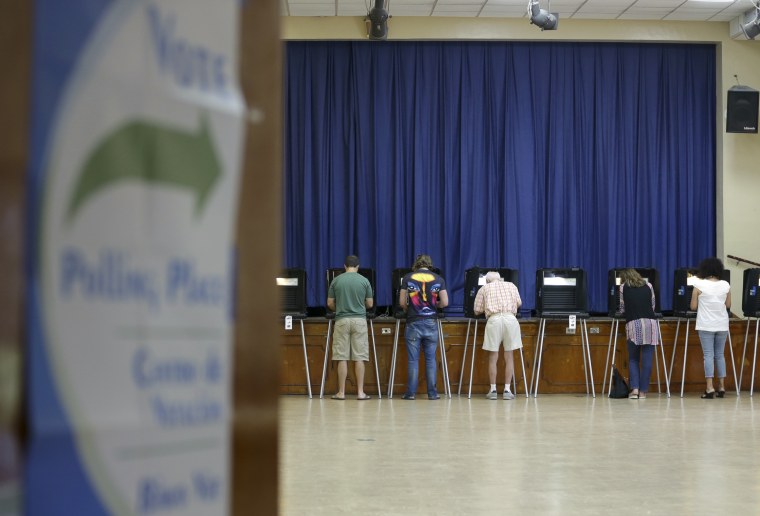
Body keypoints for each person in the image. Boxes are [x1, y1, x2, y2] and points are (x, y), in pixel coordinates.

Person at [399, 254, 448, 400]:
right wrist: (435, 305)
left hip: (413, 322)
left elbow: (402, 302)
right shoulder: (439, 279)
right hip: (431, 322)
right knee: (430, 359)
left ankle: (410, 394)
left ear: (417, 264)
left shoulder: (408, 278)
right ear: (430, 264)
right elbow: (445, 302)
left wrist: (409, 309)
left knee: (413, 360)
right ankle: (432, 394)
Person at [326, 255, 374, 400]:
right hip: (359, 321)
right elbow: (370, 304)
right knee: (359, 357)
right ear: (358, 266)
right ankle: (360, 392)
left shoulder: (336, 280)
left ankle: (341, 392)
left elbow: (329, 303)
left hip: (341, 321)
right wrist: (359, 307)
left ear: (344, 265)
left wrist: (339, 308)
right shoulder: (364, 281)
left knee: (342, 357)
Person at [473, 271, 523, 400]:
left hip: (494, 320)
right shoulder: (511, 285)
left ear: (487, 281)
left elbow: (477, 310)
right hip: (510, 319)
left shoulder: (484, 288)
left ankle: (493, 390)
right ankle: (507, 390)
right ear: (500, 279)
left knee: (493, 356)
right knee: (509, 355)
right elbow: (519, 303)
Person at [690, 257, 731, 399]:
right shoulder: (725, 285)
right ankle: (721, 386)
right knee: (719, 355)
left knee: (708, 355)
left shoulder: (698, 285)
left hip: (705, 325)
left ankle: (709, 387)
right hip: (722, 325)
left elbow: (693, 307)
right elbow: (728, 305)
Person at [618, 269, 660, 400]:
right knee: (647, 360)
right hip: (650, 325)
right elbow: (653, 305)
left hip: (633, 324)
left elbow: (622, 308)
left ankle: (634, 390)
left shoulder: (623, 287)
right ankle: (643, 392)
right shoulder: (649, 286)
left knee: (633, 359)